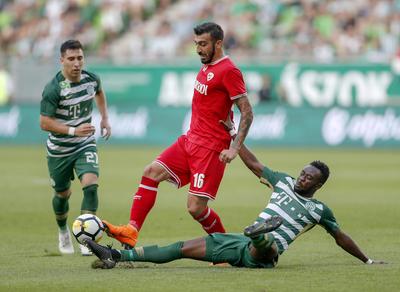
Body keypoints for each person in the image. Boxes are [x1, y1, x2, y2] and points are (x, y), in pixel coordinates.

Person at [83, 142, 386, 269]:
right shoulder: (282, 181)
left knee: (267, 244)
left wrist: (367, 260)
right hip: (239, 243)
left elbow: (339, 235)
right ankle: (117, 255)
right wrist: (234, 139)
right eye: (303, 173)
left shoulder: (319, 210)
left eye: (309, 179)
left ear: (318, 186)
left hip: (266, 255)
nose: (302, 178)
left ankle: (260, 233)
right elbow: (254, 164)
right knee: (181, 248)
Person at [102, 22, 253, 248]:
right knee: (151, 172)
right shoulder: (207, 65)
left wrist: (234, 148)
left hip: (211, 148)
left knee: (195, 208)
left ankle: (227, 249)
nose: (199, 49)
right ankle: (131, 231)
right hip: (190, 139)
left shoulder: (229, 71)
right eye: (196, 44)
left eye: (203, 44)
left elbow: (247, 112)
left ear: (218, 43)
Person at [40, 40, 111, 256]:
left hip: (84, 143)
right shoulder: (54, 88)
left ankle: (86, 238)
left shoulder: (91, 79)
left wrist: (104, 118)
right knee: (62, 194)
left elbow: (99, 92)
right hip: (59, 150)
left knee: (90, 185)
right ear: (62, 60)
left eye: (80, 57)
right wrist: (73, 131)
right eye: (71, 59)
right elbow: (44, 122)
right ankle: (62, 231)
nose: (76, 63)